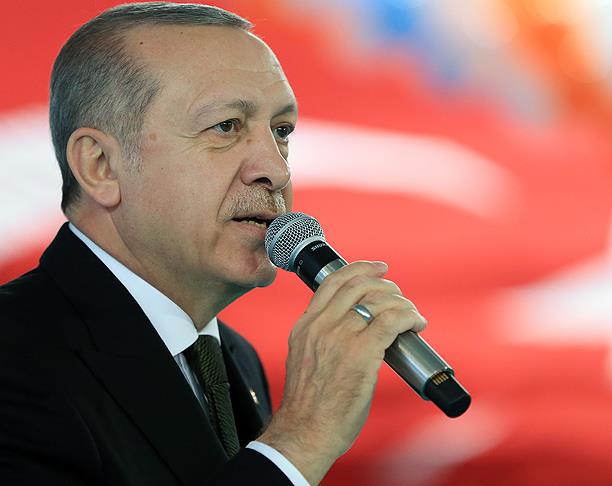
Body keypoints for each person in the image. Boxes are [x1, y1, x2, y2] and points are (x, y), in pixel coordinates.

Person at [0, 2, 427, 485]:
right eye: (226, 126)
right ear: (100, 166)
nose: (276, 170)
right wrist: (301, 439)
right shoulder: (12, 357)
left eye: (281, 131)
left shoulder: (232, 359)